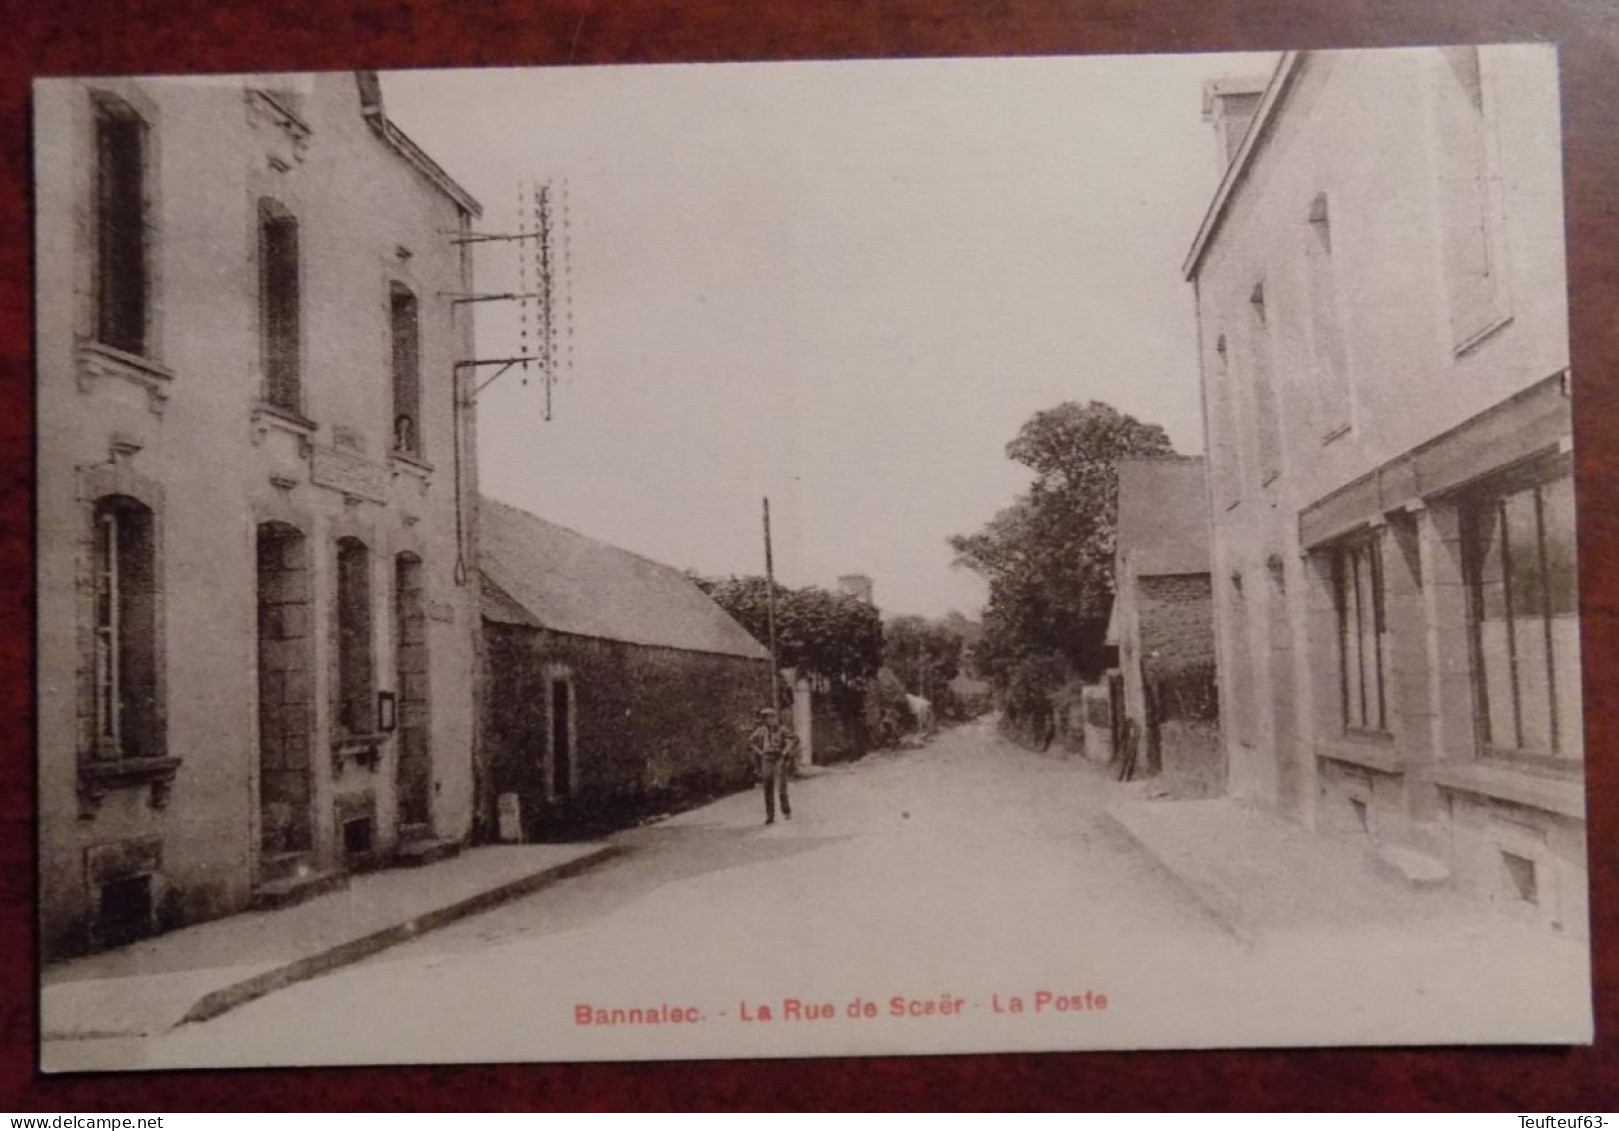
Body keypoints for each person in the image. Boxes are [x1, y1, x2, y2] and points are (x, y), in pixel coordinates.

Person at [747, 706, 797, 824]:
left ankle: (786, 811)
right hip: (767, 758)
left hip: (778, 757)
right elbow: (750, 741)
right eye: (766, 718)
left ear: (775, 718)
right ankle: (770, 816)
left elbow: (795, 738)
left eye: (771, 717)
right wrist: (760, 752)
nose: (769, 720)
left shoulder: (782, 730)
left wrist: (785, 751)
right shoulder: (761, 731)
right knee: (768, 786)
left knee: (781, 787)